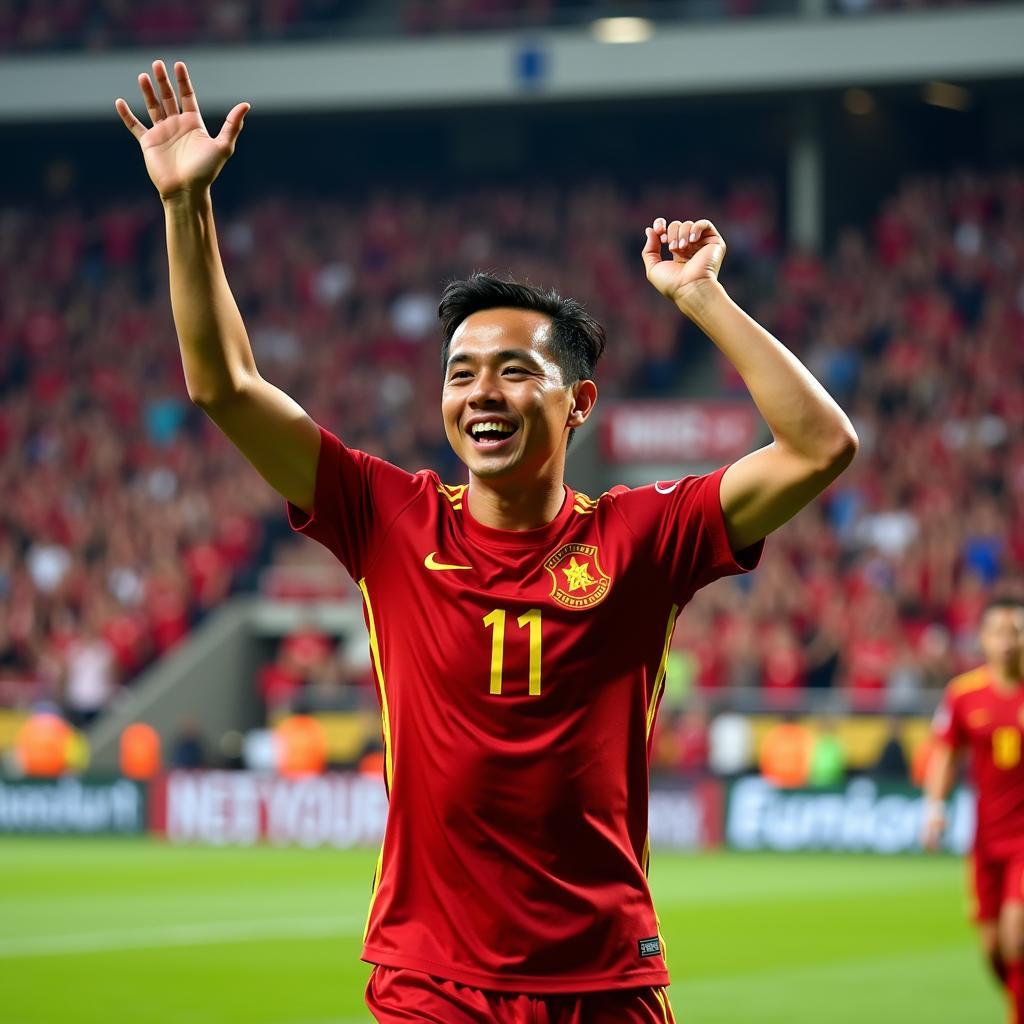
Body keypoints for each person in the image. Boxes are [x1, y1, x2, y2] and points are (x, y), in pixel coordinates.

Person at [116, 59, 858, 1023]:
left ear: (578, 402)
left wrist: (703, 299)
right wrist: (186, 209)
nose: (483, 395)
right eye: (462, 373)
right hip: (432, 980)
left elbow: (821, 445)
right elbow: (225, 386)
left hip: (604, 978)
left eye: (515, 372)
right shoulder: (385, 519)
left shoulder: (643, 538)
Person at [924, 597, 1024, 1022]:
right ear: (982, 638)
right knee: (992, 949)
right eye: (999, 631)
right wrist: (934, 806)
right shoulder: (963, 695)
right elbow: (946, 754)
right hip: (985, 840)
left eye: (1016, 631)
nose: (1008, 640)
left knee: (1016, 936)